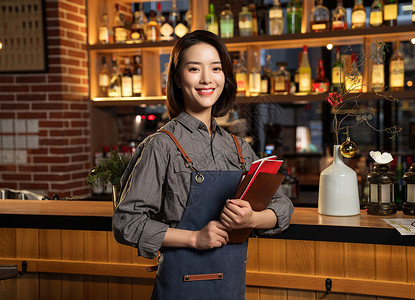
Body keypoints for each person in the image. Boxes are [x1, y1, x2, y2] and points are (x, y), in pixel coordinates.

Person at [112, 30, 294, 300]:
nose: (207, 78)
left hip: (231, 288)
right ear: (177, 77)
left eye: (216, 68)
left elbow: (283, 206)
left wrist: (253, 218)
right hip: (180, 288)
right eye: (194, 68)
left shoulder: (239, 148)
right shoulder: (160, 146)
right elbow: (126, 223)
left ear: (225, 76)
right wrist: (194, 238)